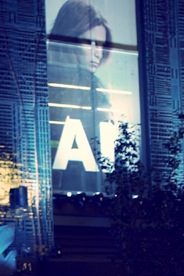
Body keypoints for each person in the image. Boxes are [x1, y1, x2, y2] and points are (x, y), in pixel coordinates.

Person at [49, 0, 113, 192]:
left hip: (86, 187)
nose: (97, 53)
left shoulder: (96, 91)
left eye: (101, 45)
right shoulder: (45, 83)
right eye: (89, 43)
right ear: (68, 39)